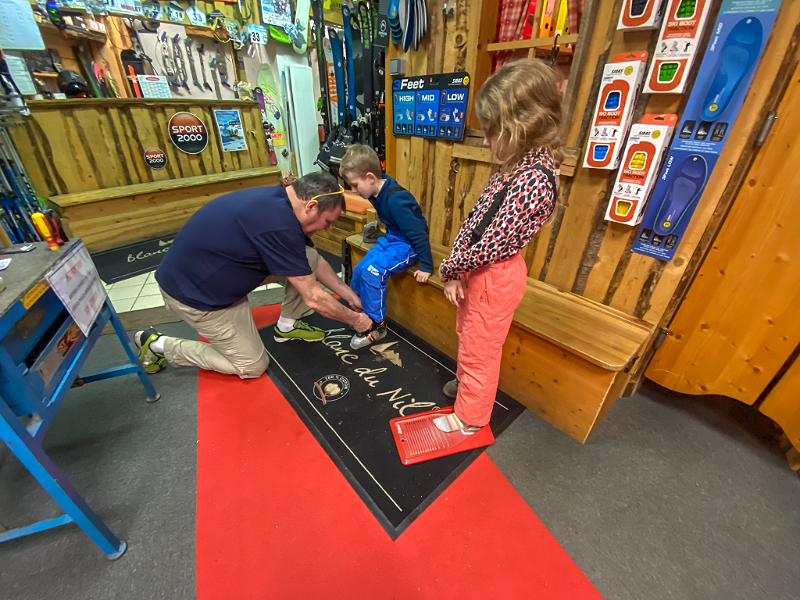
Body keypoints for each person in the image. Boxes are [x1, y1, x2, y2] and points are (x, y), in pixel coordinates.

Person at [134, 171, 372, 378]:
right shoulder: (280, 225)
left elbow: (315, 261)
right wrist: (356, 320)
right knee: (252, 365)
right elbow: (314, 298)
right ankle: (157, 344)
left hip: (212, 274)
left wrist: (347, 294)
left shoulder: (280, 200)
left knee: (307, 257)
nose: (328, 228)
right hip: (196, 296)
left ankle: (287, 326)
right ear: (311, 206)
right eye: (328, 221)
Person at [433, 59, 561, 434]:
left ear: (524, 126)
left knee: (481, 351)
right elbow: (476, 221)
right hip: (478, 270)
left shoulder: (534, 178)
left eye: (492, 132)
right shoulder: (516, 165)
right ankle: (468, 388)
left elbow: (491, 243)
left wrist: (450, 268)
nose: (485, 142)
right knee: (467, 335)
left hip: (495, 275)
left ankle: (470, 418)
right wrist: (456, 271)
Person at [340, 144, 434, 349]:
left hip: (408, 245)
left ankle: (377, 325)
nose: (354, 191)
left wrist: (427, 266)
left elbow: (418, 233)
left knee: (373, 272)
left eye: (355, 185)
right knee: (360, 269)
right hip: (391, 238)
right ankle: (360, 314)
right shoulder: (374, 191)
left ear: (370, 178)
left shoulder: (396, 200)